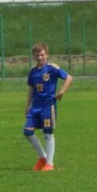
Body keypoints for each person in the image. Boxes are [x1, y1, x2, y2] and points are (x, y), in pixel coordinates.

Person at [24, 42, 73, 171]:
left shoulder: (52, 68)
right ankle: (42, 157)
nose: (40, 58)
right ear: (33, 56)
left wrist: (61, 91)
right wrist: (27, 105)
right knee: (27, 132)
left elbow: (69, 78)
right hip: (35, 107)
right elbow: (30, 90)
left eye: (42, 55)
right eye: (37, 55)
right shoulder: (33, 72)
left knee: (47, 133)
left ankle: (49, 163)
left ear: (47, 55)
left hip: (48, 106)